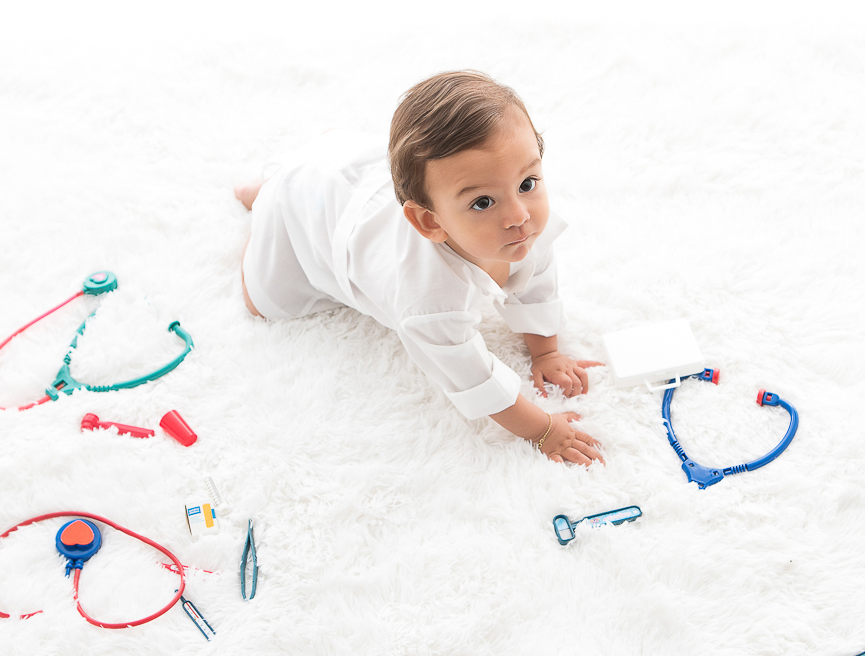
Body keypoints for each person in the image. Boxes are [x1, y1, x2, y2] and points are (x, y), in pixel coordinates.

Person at [236, 71, 603, 465]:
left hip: (357, 176)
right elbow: (474, 379)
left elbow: (537, 282)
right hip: (309, 207)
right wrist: (544, 430)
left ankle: (306, 167)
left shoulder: (519, 227)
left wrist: (546, 352)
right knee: (263, 302)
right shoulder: (429, 301)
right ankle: (268, 198)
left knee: (362, 168)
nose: (519, 216)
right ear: (430, 221)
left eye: (527, 183)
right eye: (483, 202)